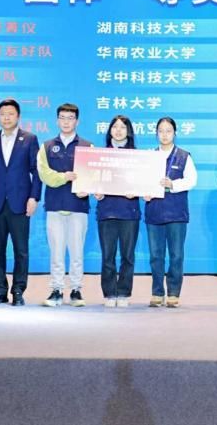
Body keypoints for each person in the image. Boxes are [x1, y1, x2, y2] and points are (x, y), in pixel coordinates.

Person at [0, 98, 41, 307]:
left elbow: (37, 172)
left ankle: (18, 290)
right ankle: (0, 290)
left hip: (20, 203)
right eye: (3, 114)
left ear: (18, 116)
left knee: (21, 250)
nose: (6, 118)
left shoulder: (29, 139)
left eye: (11, 114)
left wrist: (34, 197)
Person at [37, 102, 92, 308]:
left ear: (77, 121)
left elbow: (91, 175)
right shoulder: (46, 147)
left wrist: (87, 187)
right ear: (57, 120)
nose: (66, 122)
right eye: (62, 118)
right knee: (56, 251)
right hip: (54, 206)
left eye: (70, 118)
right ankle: (57, 289)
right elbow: (44, 174)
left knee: (77, 251)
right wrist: (64, 177)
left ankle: (76, 289)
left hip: (78, 206)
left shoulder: (87, 147)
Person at [143, 117, 197, 308]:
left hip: (176, 213)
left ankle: (174, 293)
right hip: (154, 212)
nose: (164, 135)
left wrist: (172, 184)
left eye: (168, 131)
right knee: (155, 255)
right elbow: (141, 181)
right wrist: (144, 192)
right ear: (156, 133)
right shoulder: (149, 156)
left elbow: (191, 180)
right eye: (161, 131)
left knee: (176, 255)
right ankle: (157, 292)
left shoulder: (184, 156)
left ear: (175, 133)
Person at [95, 115, 142, 308]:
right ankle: (109, 293)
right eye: (115, 127)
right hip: (106, 211)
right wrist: (96, 192)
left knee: (127, 256)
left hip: (129, 212)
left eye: (123, 127)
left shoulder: (137, 157)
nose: (118, 130)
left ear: (128, 131)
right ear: (109, 131)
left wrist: (137, 191)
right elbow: (93, 179)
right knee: (108, 255)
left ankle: (123, 292)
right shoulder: (100, 155)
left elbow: (145, 183)